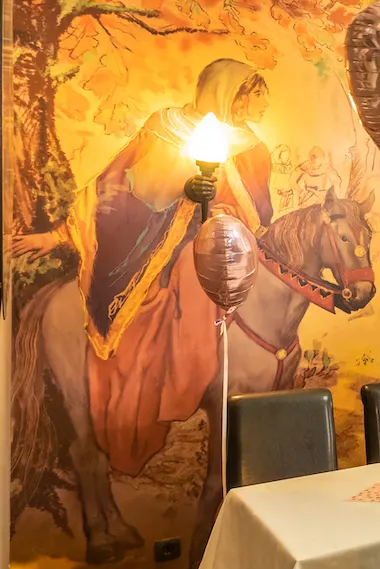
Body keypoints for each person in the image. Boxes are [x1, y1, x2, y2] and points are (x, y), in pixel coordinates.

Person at [10, 59, 273, 476]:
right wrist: (182, 192)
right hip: (156, 244)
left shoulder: (253, 149)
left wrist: (220, 210)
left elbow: (260, 215)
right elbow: (112, 187)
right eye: (255, 95)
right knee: (184, 276)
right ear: (229, 94)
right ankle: (167, 387)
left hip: (225, 246)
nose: (262, 105)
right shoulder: (165, 127)